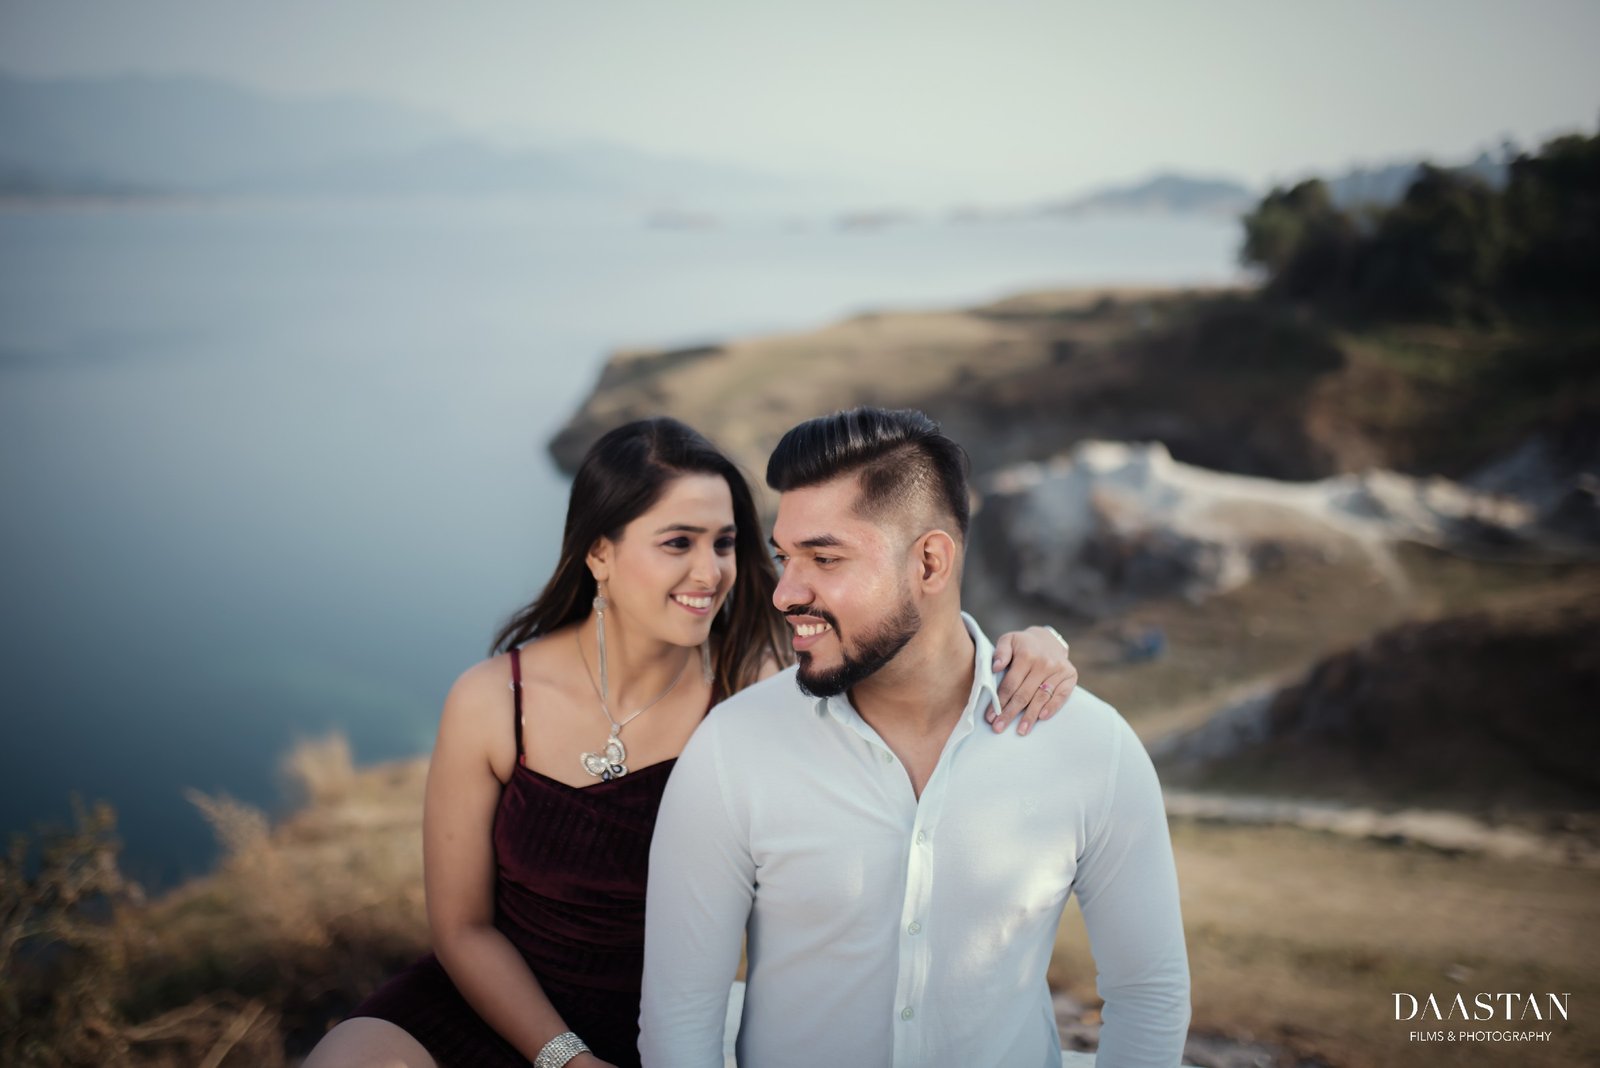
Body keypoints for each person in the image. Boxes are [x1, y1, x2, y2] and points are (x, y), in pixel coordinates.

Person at [304, 417, 1083, 1068]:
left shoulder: (761, 689)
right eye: (677, 542)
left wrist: (1028, 644)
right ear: (599, 554)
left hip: (660, 1038)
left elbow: (912, 655)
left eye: (725, 543)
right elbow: (462, 928)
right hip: (483, 1010)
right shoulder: (491, 701)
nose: (710, 571)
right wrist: (564, 1059)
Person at [641, 408, 1190, 1067]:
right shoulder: (733, 748)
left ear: (930, 562)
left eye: (825, 557)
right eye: (785, 557)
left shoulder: (1090, 746)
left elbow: (1148, 995)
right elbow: (680, 1020)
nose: (785, 592)